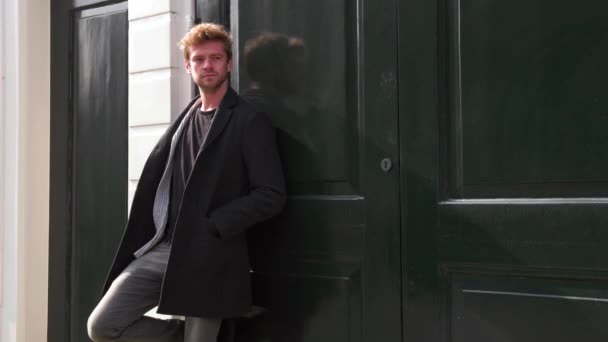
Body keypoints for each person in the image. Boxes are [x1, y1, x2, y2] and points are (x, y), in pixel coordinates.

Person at [87, 23, 286, 342]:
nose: (208, 65)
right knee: (103, 325)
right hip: (165, 248)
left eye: (216, 58)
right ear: (188, 66)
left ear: (229, 64)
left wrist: (216, 225)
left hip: (211, 254)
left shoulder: (249, 120)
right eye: (199, 59)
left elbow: (271, 194)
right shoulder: (186, 118)